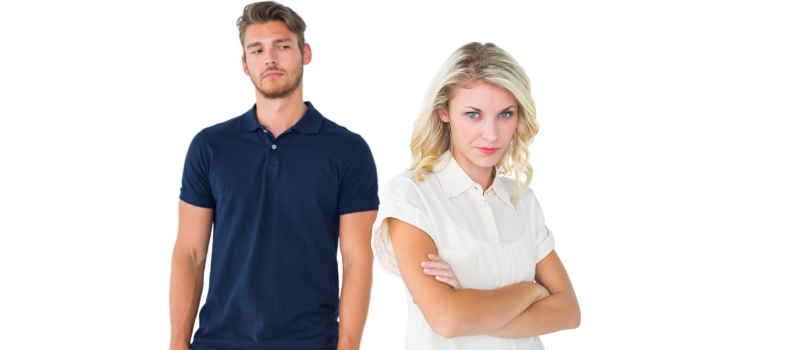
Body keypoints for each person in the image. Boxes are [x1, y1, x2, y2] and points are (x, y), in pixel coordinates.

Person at [169, 2, 378, 349]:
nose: (270, 59)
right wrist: (177, 343)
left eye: (282, 46)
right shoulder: (210, 146)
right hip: (219, 341)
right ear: (244, 63)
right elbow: (190, 252)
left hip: (311, 342)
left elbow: (357, 259)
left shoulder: (347, 151)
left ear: (305, 53)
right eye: (257, 49)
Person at [372, 42, 580, 349]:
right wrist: (531, 291)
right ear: (444, 112)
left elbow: (568, 312)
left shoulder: (523, 201)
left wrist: (469, 305)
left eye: (505, 114)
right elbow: (448, 320)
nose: (492, 134)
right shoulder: (411, 196)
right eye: (473, 114)